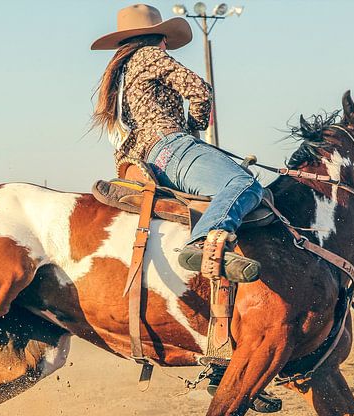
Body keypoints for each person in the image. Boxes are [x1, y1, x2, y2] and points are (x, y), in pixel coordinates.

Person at [91, 4, 263, 282]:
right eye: (166, 42)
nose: (166, 46)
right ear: (160, 38)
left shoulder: (120, 73)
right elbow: (200, 91)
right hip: (170, 147)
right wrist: (194, 128)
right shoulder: (150, 55)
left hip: (143, 162)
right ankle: (203, 241)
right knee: (243, 183)